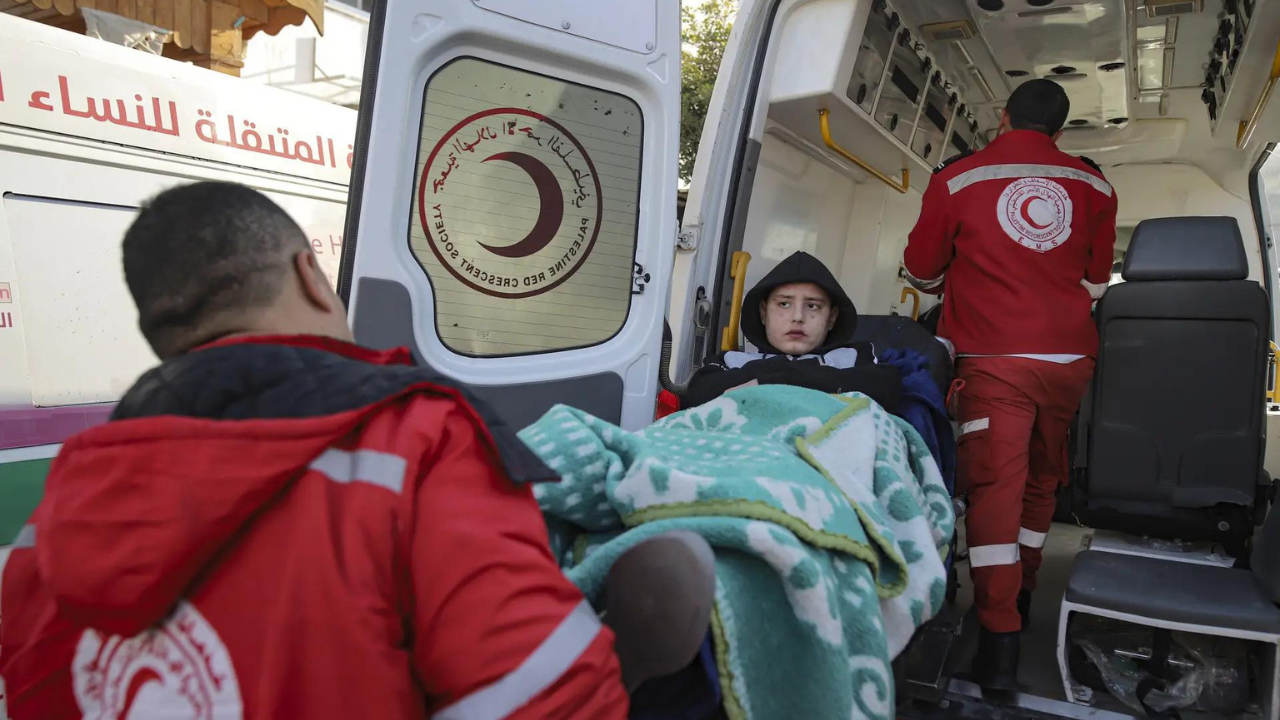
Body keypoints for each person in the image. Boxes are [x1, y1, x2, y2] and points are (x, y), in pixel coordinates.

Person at [0, 182, 714, 719]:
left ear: (162, 332)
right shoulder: (412, 441)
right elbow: (539, 697)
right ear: (311, 275)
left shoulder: (60, 511)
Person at [903, 79, 1117, 691]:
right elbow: (1097, 282)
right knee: (1042, 479)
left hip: (994, 358)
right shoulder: (1096, 186)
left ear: (1002, 117)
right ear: (1060, 128)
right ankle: (1021, 591)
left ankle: (999, 642)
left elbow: (920, 272)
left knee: (997, 489)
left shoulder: (958, 179)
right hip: (1068, 361)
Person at [685, 251, 902, 411]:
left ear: (832, 318)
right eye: (784, 304)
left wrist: (781, 378)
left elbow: (888, 390)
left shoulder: (856, 358)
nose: (798, 317)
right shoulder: (732, 361)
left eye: (812, 306)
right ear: (763, 312)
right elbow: (696, 397)